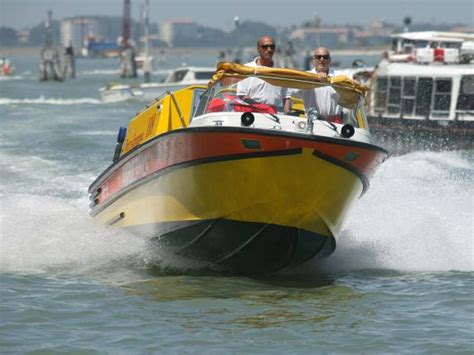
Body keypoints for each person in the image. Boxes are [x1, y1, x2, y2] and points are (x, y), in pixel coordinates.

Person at [285, 47, 341, 120]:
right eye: (318, 57)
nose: (321, 59)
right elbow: (290, 90)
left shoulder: (339, 76)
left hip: (335, 122)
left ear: (329, 60)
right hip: (312, 121)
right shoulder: (306, 76)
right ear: (314, 60)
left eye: (325, 57)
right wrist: (287, 108)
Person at [236, 36, 287, 112]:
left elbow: (286, 97)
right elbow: (242, 95)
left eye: (272, 47)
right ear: (258, 49)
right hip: (251, 113)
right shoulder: (246, 69)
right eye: (265, 47)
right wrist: (262, 108)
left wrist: (287, 115)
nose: (269, 50)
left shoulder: (281, 71)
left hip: (275, 114)